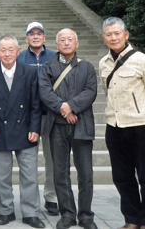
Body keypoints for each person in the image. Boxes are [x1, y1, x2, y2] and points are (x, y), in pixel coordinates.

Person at [99, 17, 145, 229]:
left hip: (140, 125)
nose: (113, 37)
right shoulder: (103, 63)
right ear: (104, 38)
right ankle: (131, 219)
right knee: (122, 176)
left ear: (126, 35)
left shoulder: (143, 61)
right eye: (109, 34)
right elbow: (108, 91)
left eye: (117, 33)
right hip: (114, 126)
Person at [38, 29, 98, 229]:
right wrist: (64, 109)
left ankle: (86, 215)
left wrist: (70, 105)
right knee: (60, 172)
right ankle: (67, 214)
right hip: (56, 126)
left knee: (86, 173)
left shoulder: (87, 67)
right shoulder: (47, 67)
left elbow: (90, 91)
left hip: (82, 125)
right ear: (56, 44)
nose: (66, 43)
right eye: (62, 40)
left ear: (77, 44)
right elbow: (45, 92)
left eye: (70, 39)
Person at [0, 36, 44, 229]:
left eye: (11, 50)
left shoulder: (29, 72)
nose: (7, 53)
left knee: (29, 175)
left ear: (18, 52)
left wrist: (35, 128)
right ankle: (6, 210)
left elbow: (36, 104)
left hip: (26, 131)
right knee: (2, 176)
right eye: (3, 50)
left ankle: (30, 212)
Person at [17, 22, 58, 216]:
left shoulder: (53, 57)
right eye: (31, 34)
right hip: (27, 116)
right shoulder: (20, 57)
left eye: (39, 33)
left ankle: (51, 197)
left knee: (52, 159)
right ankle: (30, 199)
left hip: (50, 114)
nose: (35, 36)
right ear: (26, 38)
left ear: (44, 37)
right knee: (29, 161)